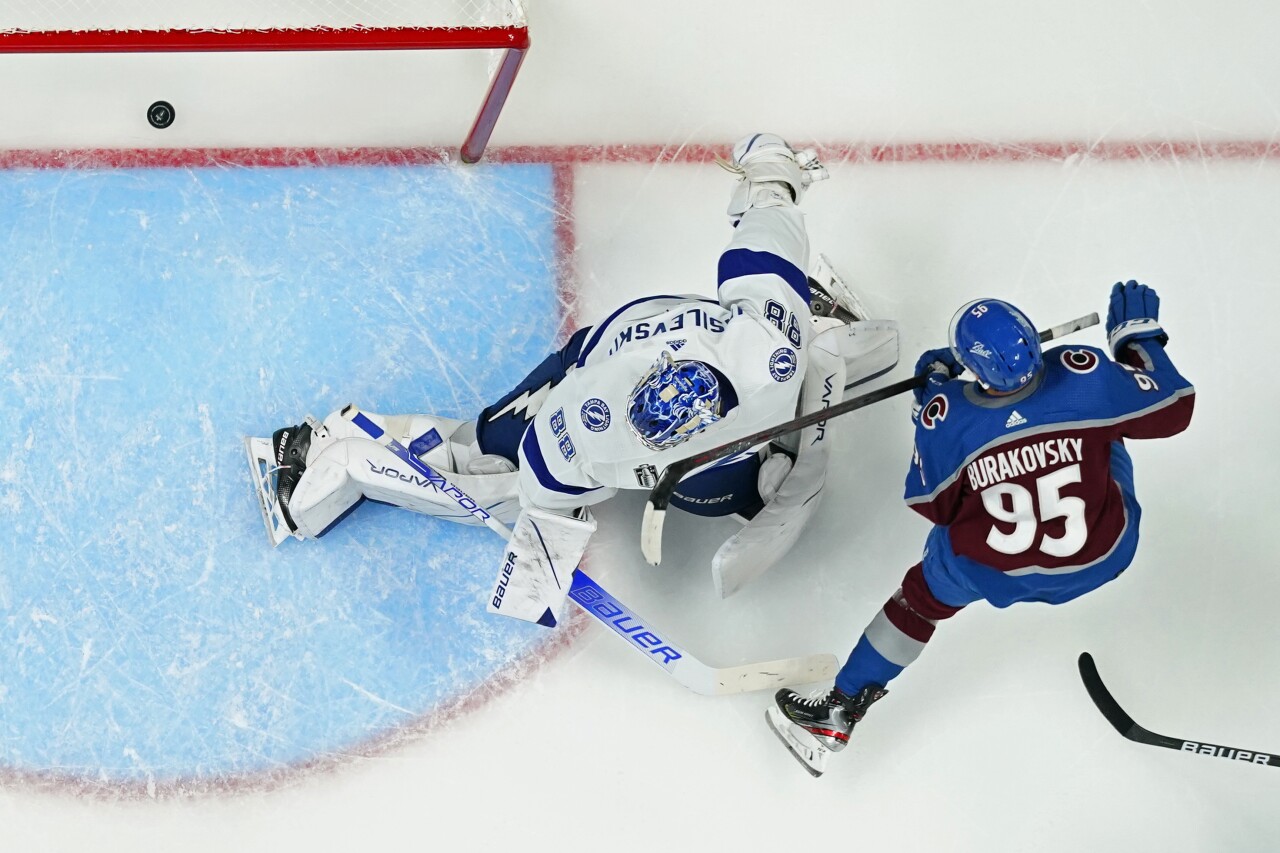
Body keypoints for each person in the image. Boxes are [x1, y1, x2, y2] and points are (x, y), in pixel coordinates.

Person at [246, 133, 899, 626]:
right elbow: (542, 494)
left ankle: (830, 345)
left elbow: (769, 223)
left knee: (758, 482)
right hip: (582, 367)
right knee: (486, 458)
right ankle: (350, 460)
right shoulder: (588, 420)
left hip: (700, 378)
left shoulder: (769, 342)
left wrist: (771, 171)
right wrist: (540, 562)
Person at [766, 282, 1196, 776]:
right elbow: (1173, 406)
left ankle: (839, 712)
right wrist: (1137, 342)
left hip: (993, 570)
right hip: (1104, 550)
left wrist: (929, 414)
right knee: (1108, 423)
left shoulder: (947, 417)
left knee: (920, 598)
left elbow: (934, 505)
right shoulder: (1086, 373)